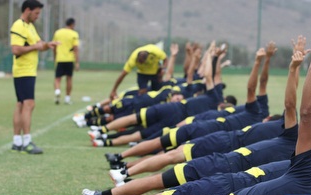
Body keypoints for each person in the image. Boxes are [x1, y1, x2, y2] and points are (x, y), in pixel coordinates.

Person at [84, 42, 311, 195]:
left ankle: (108, 192)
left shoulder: (305, 163)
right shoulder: (308, 184)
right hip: (226, 179)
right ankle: (111, 185)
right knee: (160, 185)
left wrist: (301, 66)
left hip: (226, 180)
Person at [87, 42, 235, 145]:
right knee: (123, 108)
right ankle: (94, 120)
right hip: (151, 100)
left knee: (137, 128)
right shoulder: (180, 86)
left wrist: (210, 57)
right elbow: (187, 72)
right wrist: (202, 56)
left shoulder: (196, 93)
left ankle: (100, 131)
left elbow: (204, 73)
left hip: (168, 112)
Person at [10, 0, 59, 154]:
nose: (38, 16)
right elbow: (16, 49)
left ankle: (17, 142)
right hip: (23, 71)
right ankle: (27, 142)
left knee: (20, 104)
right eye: (36, 13)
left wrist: (48, 44)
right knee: (29, 104)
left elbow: (39, 45)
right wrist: (36, 47)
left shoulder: (30, 27)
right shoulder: (18, 25)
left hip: (28, 71)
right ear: (28, 10)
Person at [52, 17, 80, 105]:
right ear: (72, 24)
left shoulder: (58, 32)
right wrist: (77, 62)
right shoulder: (74, 34)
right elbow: (75, 49)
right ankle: (67, 98)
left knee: (57, 78)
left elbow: (54, 46)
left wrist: (55, 56)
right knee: (69, 78)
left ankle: (57, 91)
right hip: (69, 59)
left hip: (59, 59)